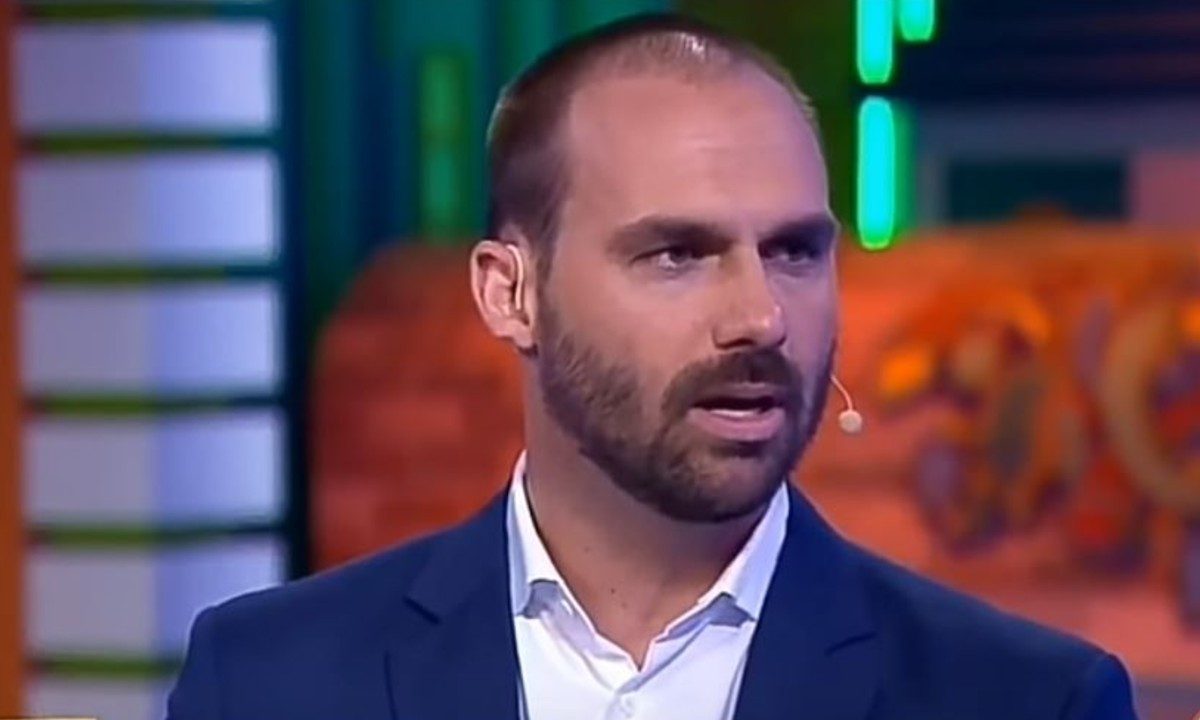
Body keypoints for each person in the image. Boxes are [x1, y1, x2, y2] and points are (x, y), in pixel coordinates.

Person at [166, 13, 1138, 720]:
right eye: (677, 254)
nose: (760, 316)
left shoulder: (1026, 700)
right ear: (511, 292)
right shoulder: (265, 681)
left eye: (795, 251)